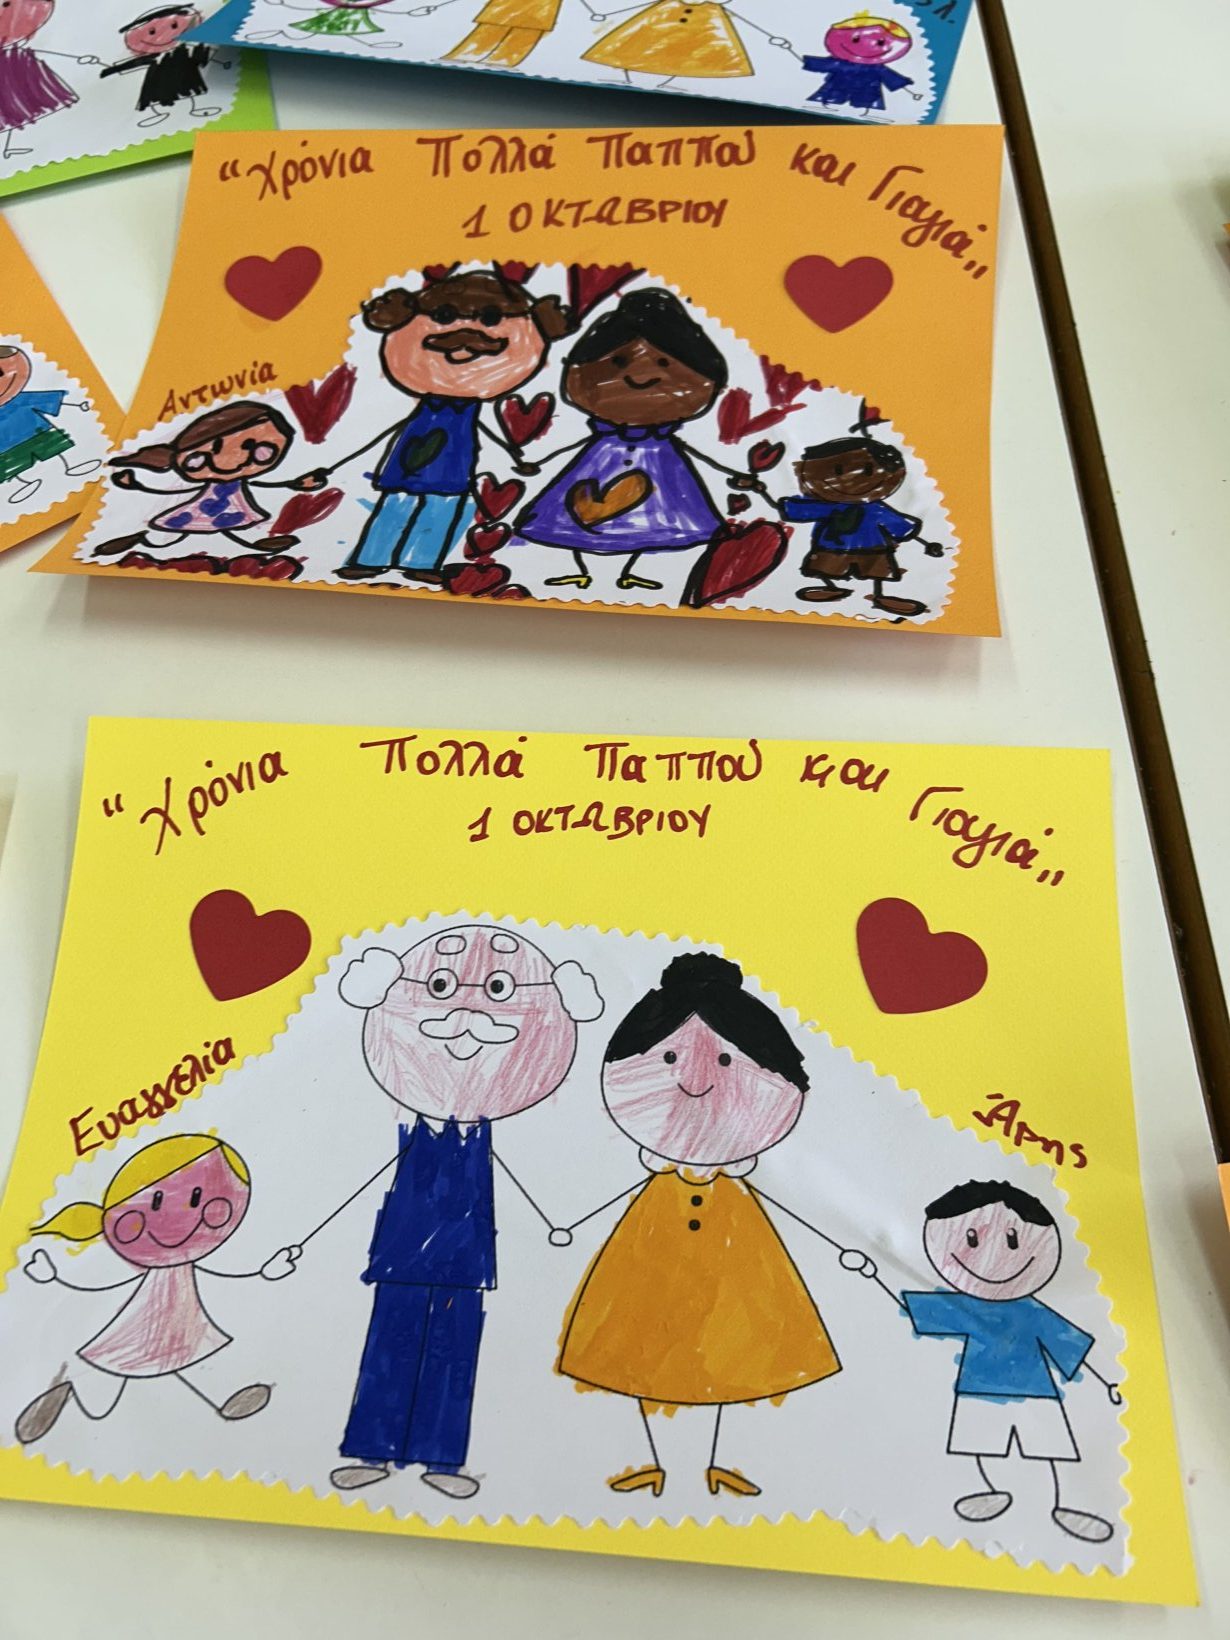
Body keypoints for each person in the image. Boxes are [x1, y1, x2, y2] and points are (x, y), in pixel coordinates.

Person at [265, 924, 604, 1499]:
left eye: (496, 991)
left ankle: (441, 1457)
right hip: (401, 1254)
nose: (466, 1013)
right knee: (389, 1346)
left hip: (465, 1261)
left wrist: (550, 1221)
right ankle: (374, 1450)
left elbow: (505, 1182)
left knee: (453, 1352)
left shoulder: (481, 1135)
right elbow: (374, 1178)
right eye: (443, 986)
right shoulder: (414, 1127)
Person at [555, 953, 856, 1500]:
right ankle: (655, 1462)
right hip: (654, 1246)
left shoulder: (738, 1186)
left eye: (724, 1060)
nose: (694, 1079)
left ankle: (714, 1463)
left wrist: (839, 1245)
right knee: (644, 1344)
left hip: (734, 1252)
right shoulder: (659, 1180)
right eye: (669, 1056)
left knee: (727, 1348)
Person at [855, 1180, 1123, 1544]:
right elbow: (916, 1309)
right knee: (982, 1443)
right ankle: (991, 1490)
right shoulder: (966, 1307)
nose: (992, 1259)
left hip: (1036, 1393)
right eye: (972, 1239)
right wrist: (874, 1275)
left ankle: (1061, 1504)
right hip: (978, 1391)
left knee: (1049, 1450)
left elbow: (1069, 1346)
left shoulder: (1033, 1312)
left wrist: (1108, 1382)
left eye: (1012, 1241)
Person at [306, 269, 573, 585]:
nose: (466, 331)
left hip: (453, 468)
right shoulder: (427, 407)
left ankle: (423, 562)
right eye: (445, 316)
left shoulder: (469, 407)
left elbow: (487, 434)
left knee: (440, 510)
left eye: (489, 319)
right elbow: (387, 433)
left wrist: (515, 458)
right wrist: (334, 467)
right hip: (408, 462)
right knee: (395, 505)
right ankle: (370, 559)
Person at [15, 1135, 285, 1444]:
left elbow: (224, 1275)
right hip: (139, 1328)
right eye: (156, 1203)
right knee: (111, 1385)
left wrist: (266, 1270)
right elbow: (107, 1284)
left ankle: (225, 1397)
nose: (181, 1218)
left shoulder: (183, 1264)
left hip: (182, 1326)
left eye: (196, 1198)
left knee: (182, 1358)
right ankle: (68, 1390)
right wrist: (55, 1277)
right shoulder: (150, 1267)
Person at [512, 288, 762, 593]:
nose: (642, 374)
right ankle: (580, 571)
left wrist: (731, 474)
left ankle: (629, 572)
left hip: (661, 470)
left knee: (653, 525)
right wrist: (538, 462)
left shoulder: (661, 441)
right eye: (619, 360)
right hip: (600, 464)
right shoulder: (604, 439)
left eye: (664, 363)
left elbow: (699, 455)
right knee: (571, 519)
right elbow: (571, 448)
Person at [91, 400, 308, 559]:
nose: (233, 461)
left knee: (232, 532)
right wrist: (137, 485)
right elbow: (176, 492)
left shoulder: (241, 481)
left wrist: (296, 484)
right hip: (200, 509)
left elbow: (265, 484)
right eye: (204, 457)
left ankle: (257, 546)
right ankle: (143, 541)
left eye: (259, 451)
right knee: (177, 535)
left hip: (234, 508)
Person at [778, 434, 943, 619]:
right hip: (832, 547)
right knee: (823, 567)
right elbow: (797, 509)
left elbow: (898, 524)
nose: (849, 480)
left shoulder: (875, 509)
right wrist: (762, 491)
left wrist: (925, 542)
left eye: (867, 471)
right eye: (838, 472)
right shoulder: (827, 505)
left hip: (872, 547)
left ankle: (880, 596)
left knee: (877, 570)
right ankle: (831, 588)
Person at [0, 0, 101, 163]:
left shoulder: (16, 47)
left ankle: (8, 147)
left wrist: (77, 58)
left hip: (18, 74)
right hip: (12, 75)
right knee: (7, 113)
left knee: (15, 113)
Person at [0, 345, 101, 507]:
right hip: (6, 449)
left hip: (39, 434)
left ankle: (70, 466)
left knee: (55, 449)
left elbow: (45, 399)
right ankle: (23, 485)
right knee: (13, 467)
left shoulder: (21, 399)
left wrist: (77, 405)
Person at [100, 7, 221, 130]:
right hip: (159, 82)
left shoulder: (185, 48)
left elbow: (201, 58)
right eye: (152, 32)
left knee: (188, 92)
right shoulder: (156, 56)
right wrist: (109, 70)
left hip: (185, 77)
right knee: (156, 97)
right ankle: (156, 114)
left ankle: (194, 108)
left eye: (174, 25)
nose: (163, 35)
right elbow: (133, 64)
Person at [801, 12, 918, 115]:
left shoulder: (877, 68)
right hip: (837, 87)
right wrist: (803, 59)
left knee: (866, 101)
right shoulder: (840, 63)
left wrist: (909, 91)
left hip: (867, 90)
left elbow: (890, 77)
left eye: (880, 43)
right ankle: (826, 105)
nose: (868, 46)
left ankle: (865, 111)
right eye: (856, 39)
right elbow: (824, 64)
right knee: (831, 97)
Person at [444, 0, 563, 69]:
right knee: (491, 28)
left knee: (529, 31)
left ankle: (503, 60)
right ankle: (467, 55)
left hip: (539, 10)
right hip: (506, 8)